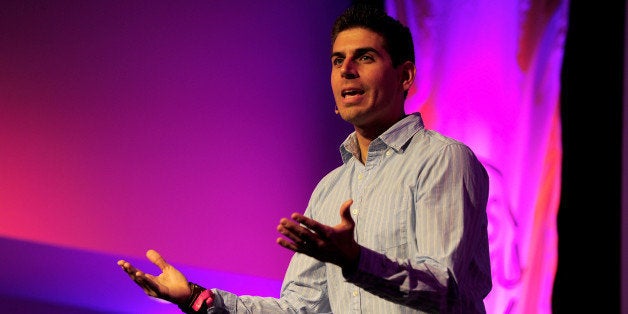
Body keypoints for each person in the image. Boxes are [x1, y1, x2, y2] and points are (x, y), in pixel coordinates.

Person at [118, 3, 492, 313]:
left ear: (405, 76)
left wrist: (356, 261)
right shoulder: (330, 189)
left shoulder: (442, 160)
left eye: (364, 57)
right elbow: (300, 308)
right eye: (337, 60)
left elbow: (446, 289)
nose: (346, 69)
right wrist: (199, 299)